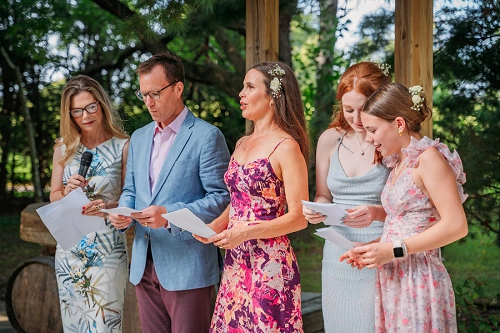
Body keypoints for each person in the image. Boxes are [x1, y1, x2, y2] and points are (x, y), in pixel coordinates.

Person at [107, 52, 230, 333]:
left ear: (177, 89)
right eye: (143, 94)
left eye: (155, 93)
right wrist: (123, 213)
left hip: (187, 267)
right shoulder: (138, 137)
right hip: (143, 263)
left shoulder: (206, 136)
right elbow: (130, 190)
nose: (149, 102)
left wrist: (169, 215)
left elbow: (221, 199)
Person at [340, 82, 468, 332]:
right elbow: (409, 224)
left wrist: (394, 250)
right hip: (394, 277)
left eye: (372, 129)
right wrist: (373, 248)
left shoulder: (428, 159)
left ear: (399, 124)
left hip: (418, 278)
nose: (368, 138)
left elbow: (457, 225)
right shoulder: (399, 162)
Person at [193, 61, 309, 332]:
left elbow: (299, 218)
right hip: (236, 261)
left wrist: (246, 231)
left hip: (270, 264)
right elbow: (238, 201)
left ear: (273, 96)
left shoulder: (287, 147)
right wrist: (215, 226)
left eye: (249, 87)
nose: (241, 94)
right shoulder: (241, 143)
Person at [302, 61, 391, 332]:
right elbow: (323, 195)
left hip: (379, 251)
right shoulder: (330, 139)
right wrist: (317, 209)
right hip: (338, 254)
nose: (354, 117)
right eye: (347, 109)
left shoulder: (390, 140)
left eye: (362, 109)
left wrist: (375, 212)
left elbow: (408, 207)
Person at [49, 75, 130, 332]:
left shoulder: (124, 146)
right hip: (70, 249)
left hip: (108, 249)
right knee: (75, 325)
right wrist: (67, 191)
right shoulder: (64, 147)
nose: (85, 116)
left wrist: (107, 207)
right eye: (77, 111)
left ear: (102, 104)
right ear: (69, 114)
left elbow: (130, 197)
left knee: (104, 326)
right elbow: (54, 194)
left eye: (91, 107)